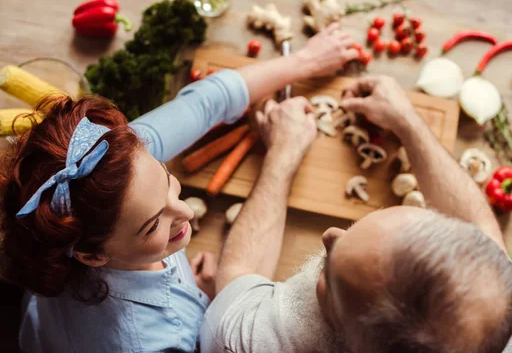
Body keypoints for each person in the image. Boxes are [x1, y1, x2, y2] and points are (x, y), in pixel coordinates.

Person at [0, 24, 359, 353]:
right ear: (93, 256)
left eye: (166, 181)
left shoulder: (104, 171)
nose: (185, 211)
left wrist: (306, 61)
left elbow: (206, 102)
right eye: (152, 224)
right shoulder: (160, 342)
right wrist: (206, 308)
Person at [200, 75, 512, 352]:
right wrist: (407, 122)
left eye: (329, 271)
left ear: (343, 334)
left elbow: (237, 273)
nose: (331, 235)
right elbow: (478, 229)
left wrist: (283, 151)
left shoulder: (243, 342)